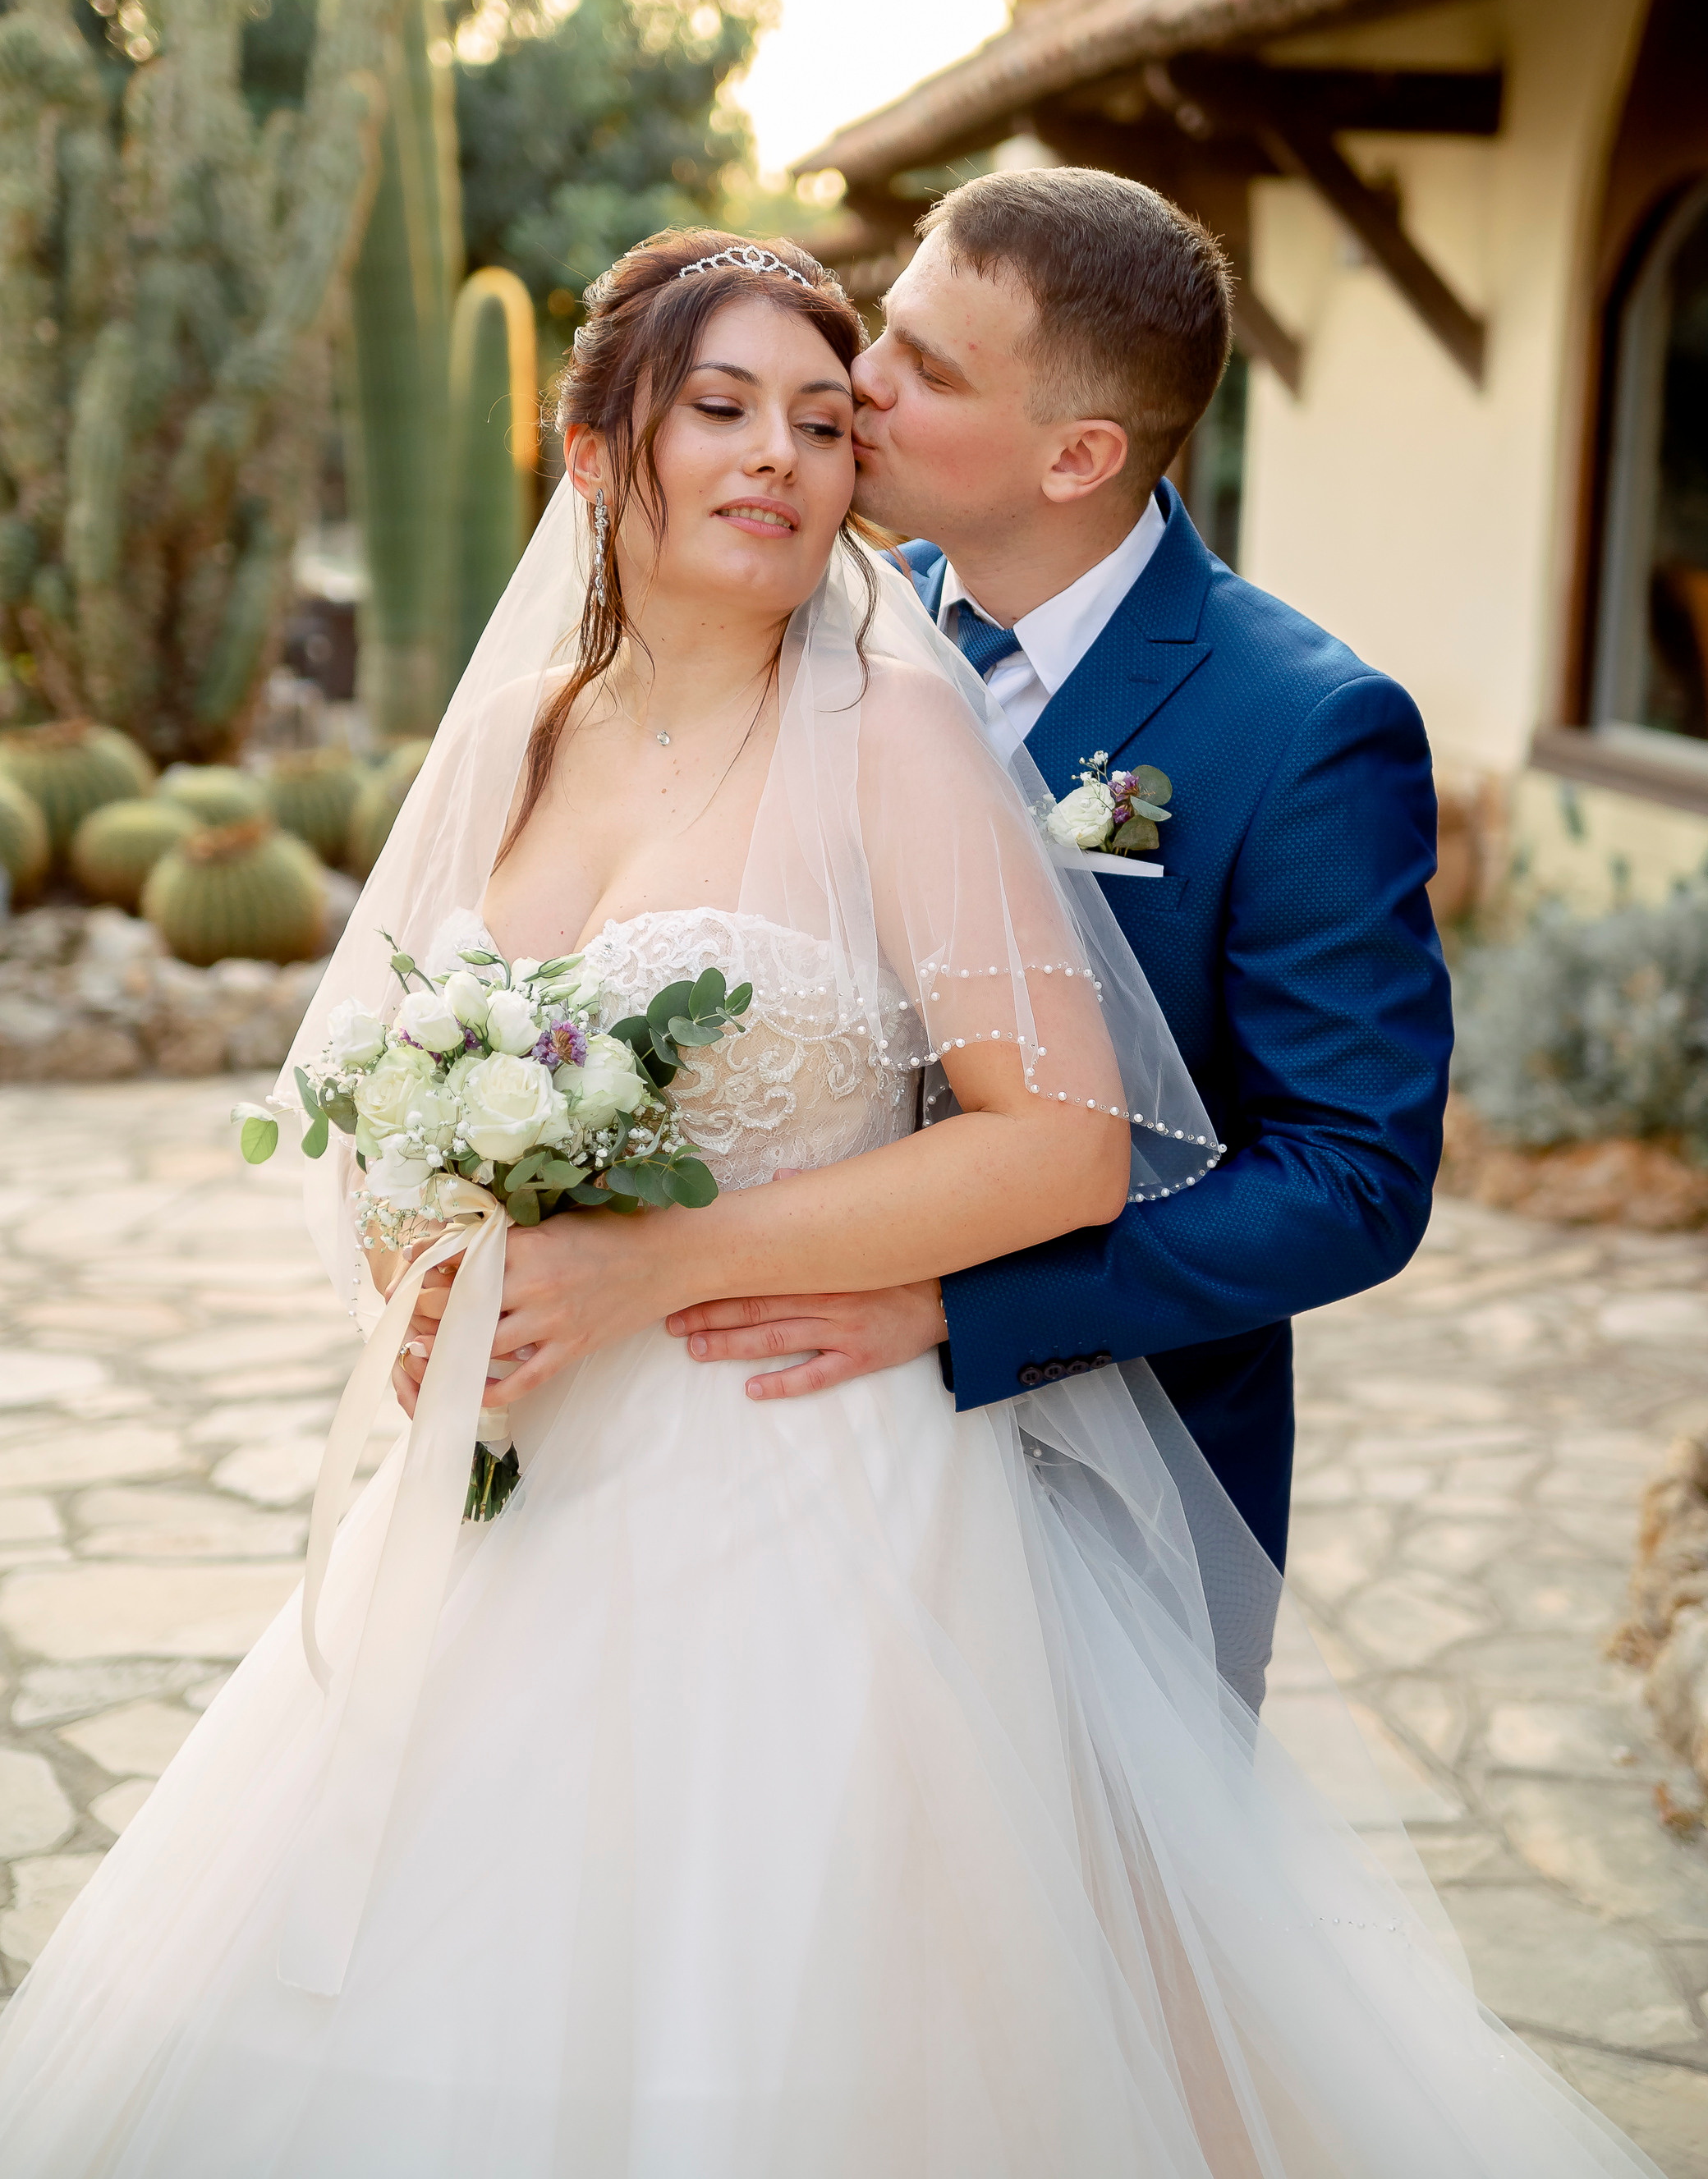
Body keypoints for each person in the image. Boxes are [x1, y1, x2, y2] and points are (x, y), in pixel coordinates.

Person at [0, 231, 1658, 2179]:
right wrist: (438, 1252)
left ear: (1074, 451)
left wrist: (726, 1275)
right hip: (532, 1485)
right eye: (738, 406)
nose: (824, 435)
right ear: (598, 448)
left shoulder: (973, 709)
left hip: (841, 1469)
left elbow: (1181, 1152)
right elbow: (394, 1070)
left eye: (857, 390)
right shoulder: (540, 723)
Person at [668, 167, 1453, 1586]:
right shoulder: (821, 620)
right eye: (883, 329)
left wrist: (965, 1302)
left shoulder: (1302, 728)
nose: (864, 379)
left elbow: (1352, 1177)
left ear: (1078, 457)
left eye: (926, 367)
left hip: (1111, 1483)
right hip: (760, 1454)